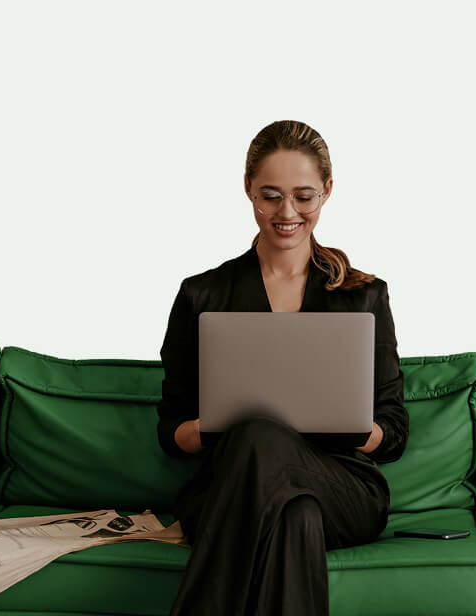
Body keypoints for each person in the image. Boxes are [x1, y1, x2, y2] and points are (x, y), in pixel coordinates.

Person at [157, 120, 409, 616]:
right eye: (270, 196)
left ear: (327, 192)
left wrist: (353, 425)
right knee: (294, 512)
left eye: (303, 197)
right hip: (231, 484)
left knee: (260, 436)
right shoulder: (202, 295)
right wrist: (213, 428)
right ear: (248, 188)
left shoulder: (363, 296)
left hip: (342, 484)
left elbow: (395, 432)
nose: (286, 213)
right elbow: (171, 430)